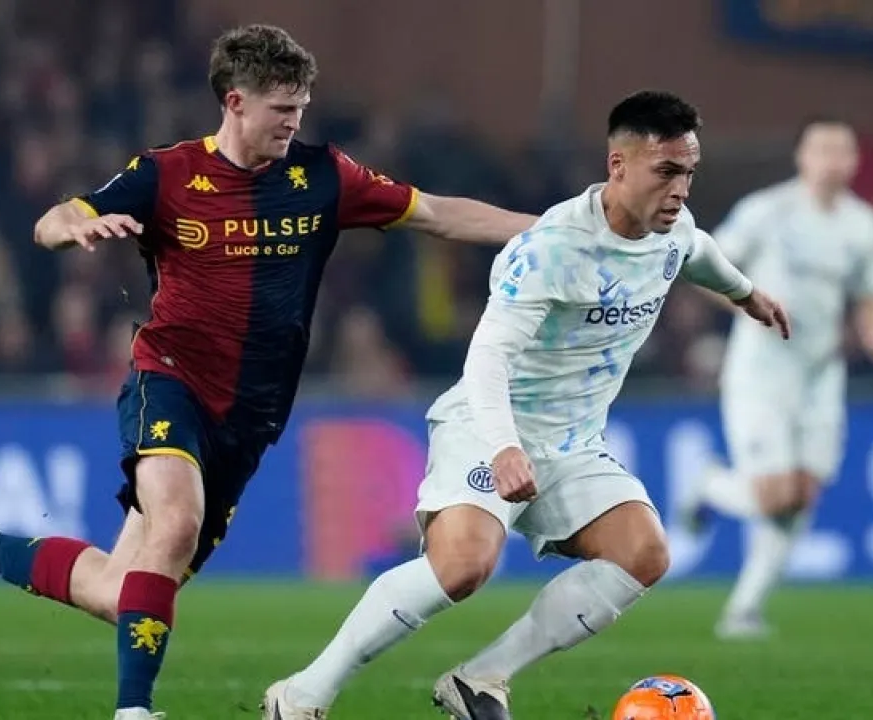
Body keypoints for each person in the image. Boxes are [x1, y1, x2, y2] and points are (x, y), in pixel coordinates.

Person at [0, 24, 536, 720]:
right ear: (235, 102)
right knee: (177, 520)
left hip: (250, 418)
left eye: (301, 107)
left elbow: (439, 215)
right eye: (281, 108)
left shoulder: (322, 177)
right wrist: (69, 227)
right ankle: (134, 711)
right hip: (171, 378)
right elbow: (58, 216)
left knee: (124, 590)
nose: (294, 122)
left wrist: (563, 228)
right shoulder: (166, 174)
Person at [262, 90, 790, 720]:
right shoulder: (551, 249)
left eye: (689, 173)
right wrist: (505, 446)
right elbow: (487, 358)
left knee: (643, 553)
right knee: (462, 565)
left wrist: (747, 294)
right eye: (666, 172)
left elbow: (699, 253)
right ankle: (302, 694)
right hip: (490, 424)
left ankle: (480, 680)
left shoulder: (672, 232)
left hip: (573, 444)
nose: (679, 190)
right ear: (618, 166)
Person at [678, 117, 873, 640]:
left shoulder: (864, 224)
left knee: (803, 493)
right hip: (762, 369)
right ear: (802, 156)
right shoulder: (766, 211)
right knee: (776, 495)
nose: (833, 160)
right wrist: (747, 304)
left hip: (821, 372)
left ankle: (744, 610)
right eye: (823, 149)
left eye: (843, 150)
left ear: (855, 160)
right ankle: (711, 485)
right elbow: (701, 266)